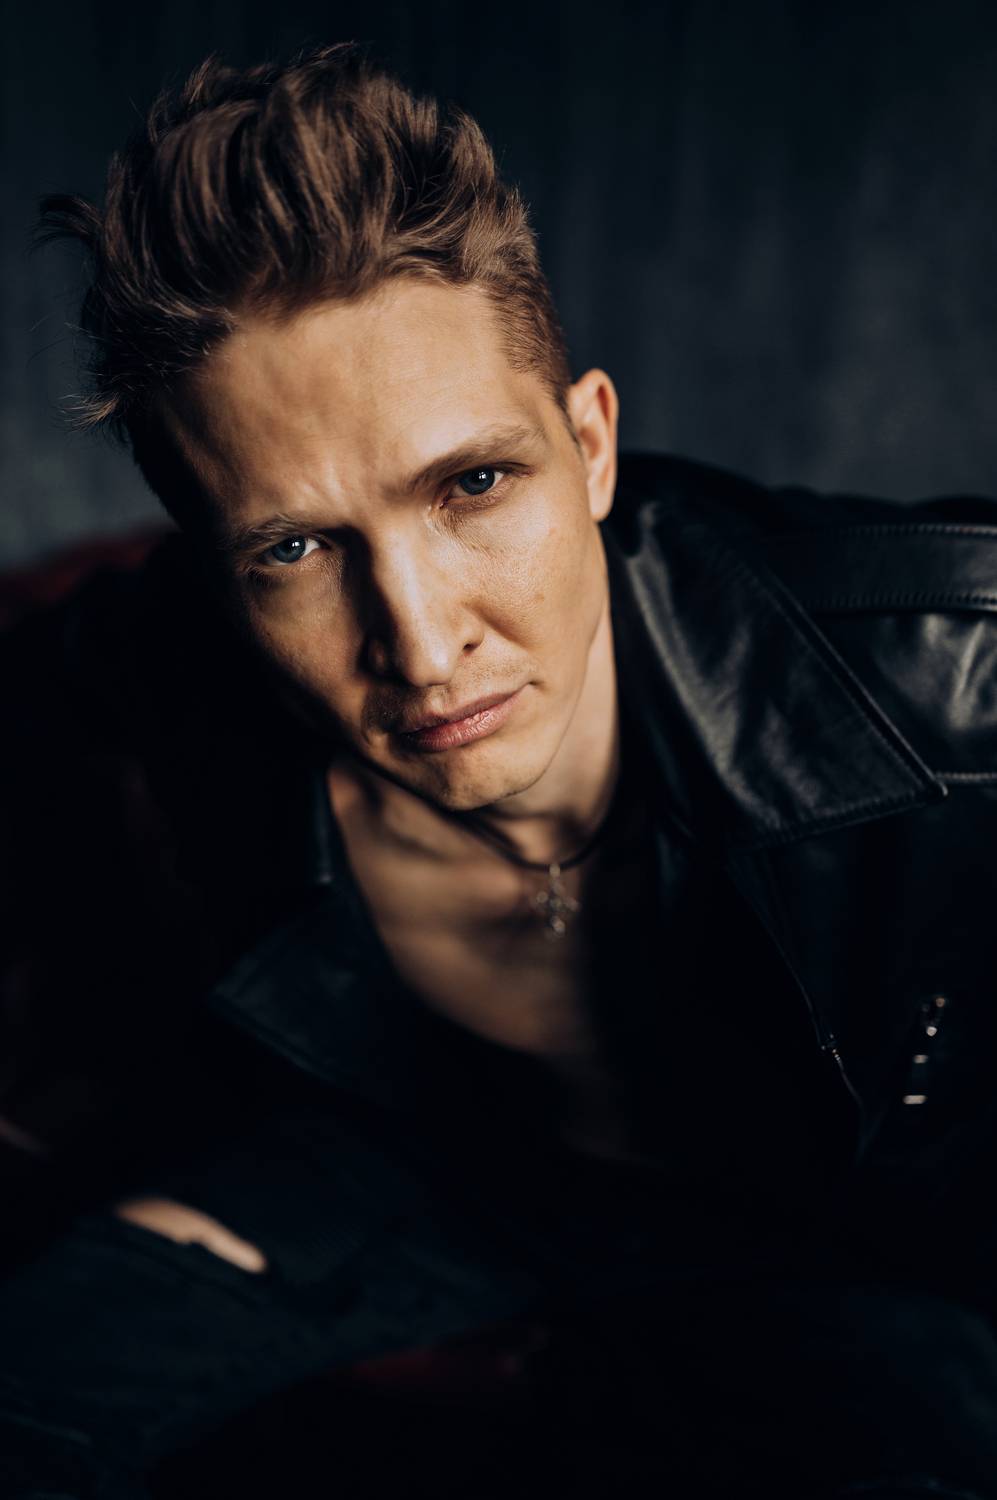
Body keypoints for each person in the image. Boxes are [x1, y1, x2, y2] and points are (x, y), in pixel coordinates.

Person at [4, 40, 997, 1500]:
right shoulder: (147, 669)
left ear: (590, 444)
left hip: (838, 1235)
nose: (420, 646)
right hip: (434, 1178)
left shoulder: (953, 685)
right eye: (296, 549)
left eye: (473, 485)